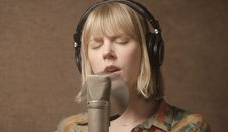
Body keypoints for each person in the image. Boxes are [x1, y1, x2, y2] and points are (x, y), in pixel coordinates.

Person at [57, 0, 210, 132]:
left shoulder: (191, 127)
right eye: (96, 44)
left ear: (149, 52)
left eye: (121, 41)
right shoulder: (68, 128)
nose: (106, 52)